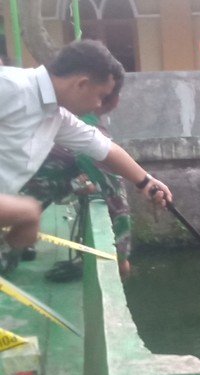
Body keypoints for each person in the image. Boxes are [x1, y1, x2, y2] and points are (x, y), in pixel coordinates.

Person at [0, 39, 172, 274]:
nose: (98, 105)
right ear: (82, 84)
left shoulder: (56, 116)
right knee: (27, 211)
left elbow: (103, 148)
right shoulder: (11, 87)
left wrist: (146, 182)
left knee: (27, 215)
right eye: (101, 96)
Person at [21, 67, 134, 277]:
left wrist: (79, 182)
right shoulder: (87, 135)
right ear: (115, 101)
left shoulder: (48, 114)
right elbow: (117, 201)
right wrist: (122, 259)